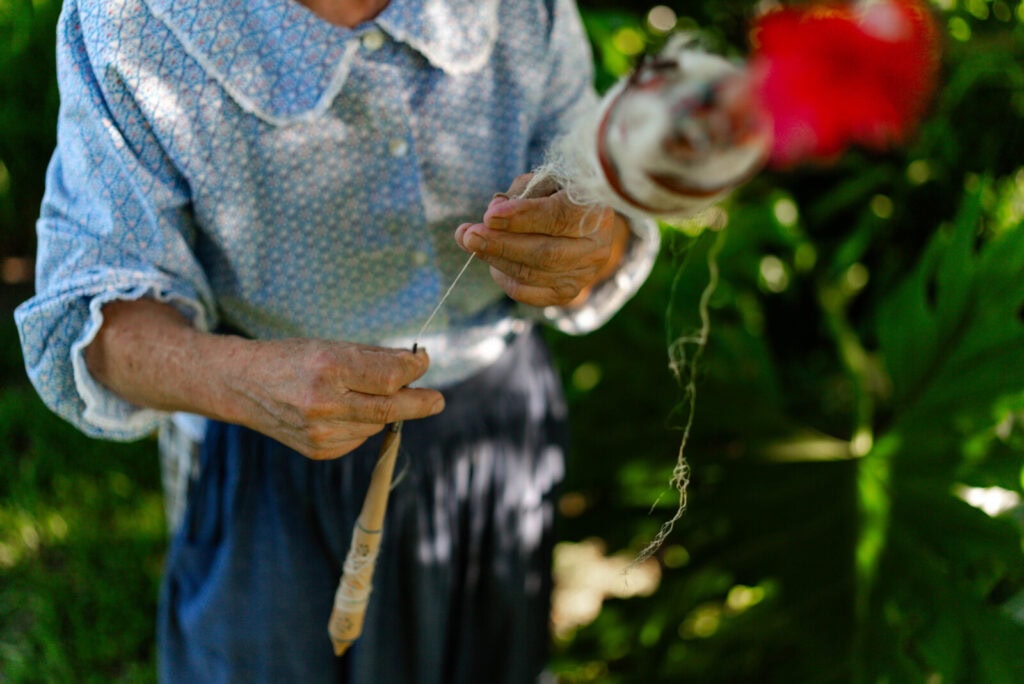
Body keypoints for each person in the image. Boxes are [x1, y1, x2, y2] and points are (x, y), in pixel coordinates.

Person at [15, 0, 659, 681]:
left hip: (492, 436)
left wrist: (588, 243)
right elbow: (91, 311)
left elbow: (595, 203)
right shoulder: (135, 18)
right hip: (265, 456)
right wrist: (240, 379)